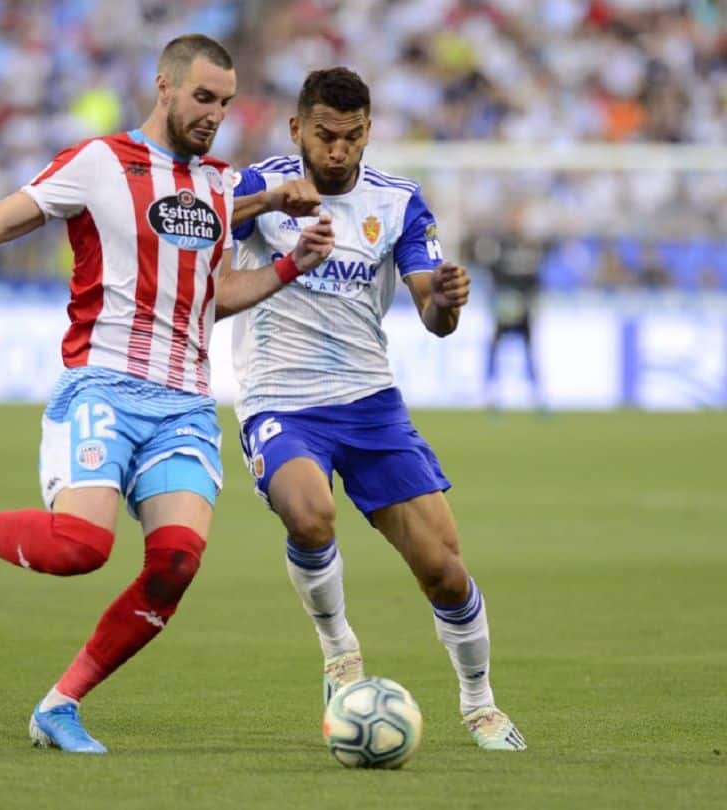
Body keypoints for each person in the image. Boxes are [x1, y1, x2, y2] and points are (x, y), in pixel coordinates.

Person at [0, 34, 334, 754]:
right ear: (163, 86)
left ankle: (60, 704)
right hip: (103, 384)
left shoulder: (223, 189)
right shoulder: (99, 163)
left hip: (187, 405)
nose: (214, 115)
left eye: (225, 103)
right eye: (203, 97)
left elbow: (209, 298)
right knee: (80, 547)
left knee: (174, 566)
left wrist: (290, 267)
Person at [229, 67, 526, 751]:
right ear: (297, 128)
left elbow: (432, 313)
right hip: (281, 399)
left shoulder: (398, 203)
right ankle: (340, 652)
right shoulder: (258, 186)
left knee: (445, 570)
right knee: (309, 512)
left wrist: (446, 302)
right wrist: (274, 198)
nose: (338, 150)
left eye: (353, 136)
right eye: (326, 135)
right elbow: (202, 219)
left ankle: (480, 705)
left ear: (369, 132)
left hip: (371, 404)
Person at [466, 222, 545, 410]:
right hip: (505, 309)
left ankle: (536, 396)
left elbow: (535, 283)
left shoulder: (528, 252)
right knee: (497, 350)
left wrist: (532, 303)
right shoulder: (502, 249)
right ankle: (491, 395)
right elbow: (493, 275)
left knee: (527, 352)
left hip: (522, 310)